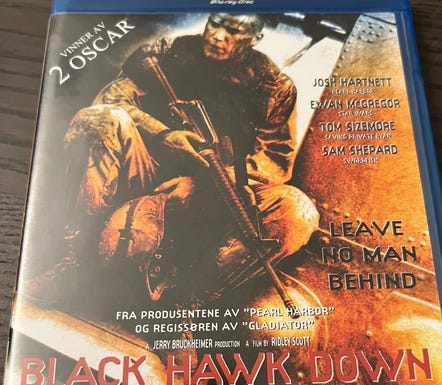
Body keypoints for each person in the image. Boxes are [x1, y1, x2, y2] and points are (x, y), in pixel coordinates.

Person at [28, 13, 319, 307]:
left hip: (219, 194)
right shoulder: (169, 55)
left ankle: (192, 302)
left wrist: (202, 185)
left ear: (255, 39)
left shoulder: (273, 87)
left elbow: (272, 160)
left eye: (233, 31)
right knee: (100, 120)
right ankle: (75, 262)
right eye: (216, 23)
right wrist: (162, 135)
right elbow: (111, 100)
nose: (218, 36)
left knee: (297, 210)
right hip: (147, 173)